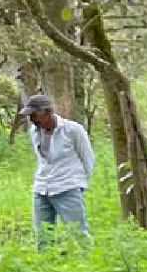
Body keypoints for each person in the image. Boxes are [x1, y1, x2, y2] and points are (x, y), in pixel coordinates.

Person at [16, 93, 96, 242]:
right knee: (42, 236)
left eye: (34, 115)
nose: (31, 119)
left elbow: (88, 158)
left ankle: (85, 257)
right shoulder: (34, 132)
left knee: (78, 233)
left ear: (47, 112)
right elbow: (42, 160)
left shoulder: (73, 130)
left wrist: (80, 184)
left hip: (67, 187)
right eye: (29, 116)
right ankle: (46, 258)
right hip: (41, 188)